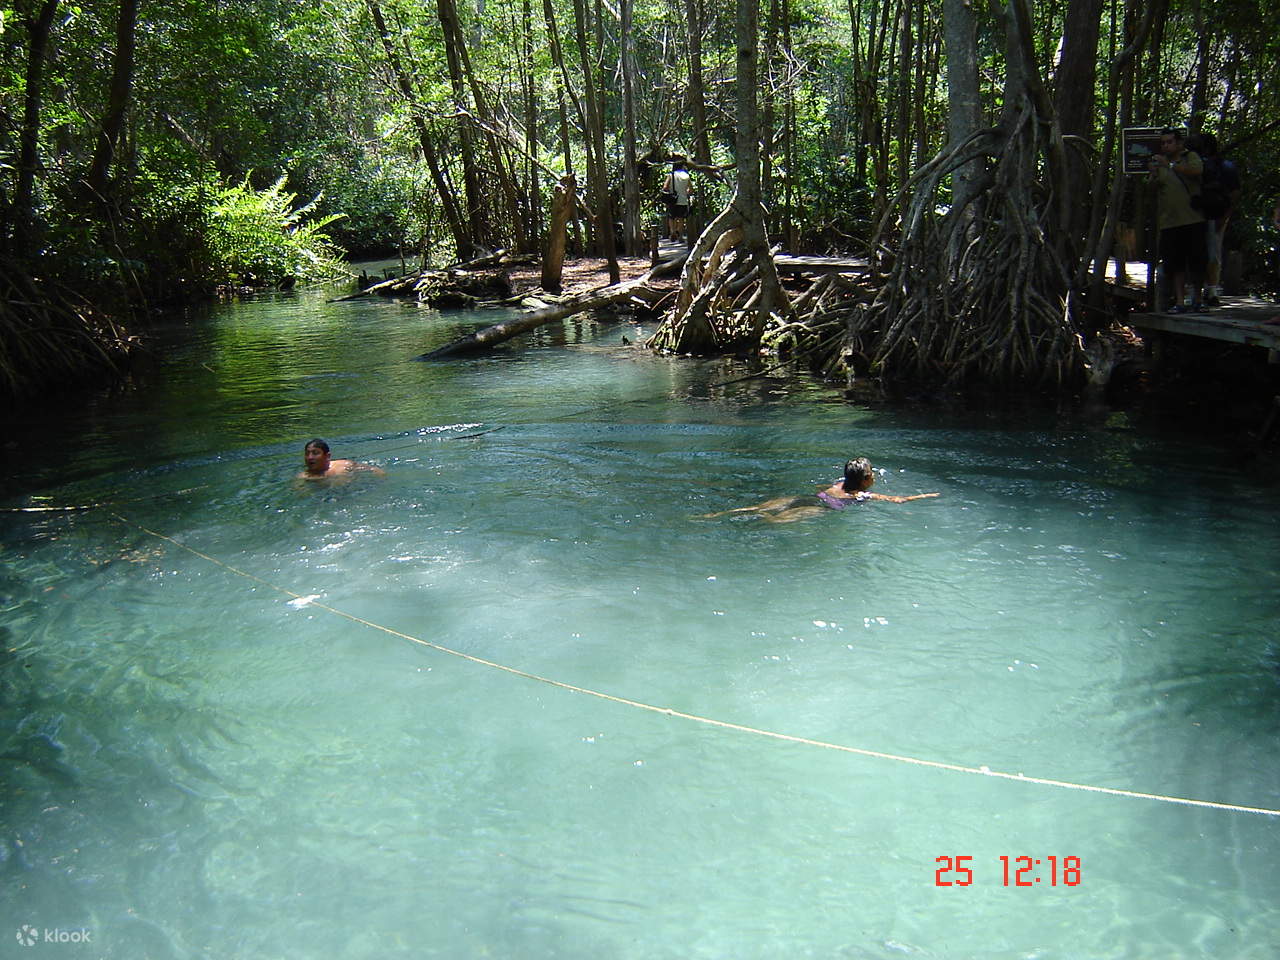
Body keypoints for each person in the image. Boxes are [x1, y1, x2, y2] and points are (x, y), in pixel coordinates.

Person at [697, 457, 939, 524]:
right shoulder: (861, 495)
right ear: (866, 480)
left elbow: (818, 488)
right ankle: (750, 519)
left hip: (813, 498)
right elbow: (899, 500)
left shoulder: (837, 484)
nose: (874, 476)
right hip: (822, 509)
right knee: (773, 520)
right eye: (872, 473)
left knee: (760, 507)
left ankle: (719, 514)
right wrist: (924, 496)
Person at [1149, 127, 1206, 314]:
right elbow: (1152, 188)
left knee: (1197, 261)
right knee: (1175, 264)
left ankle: (1198, 299)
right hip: (1170, 223)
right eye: (1163, 143)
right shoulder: (1159, 164)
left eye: (1169, 142)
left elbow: (1197, 171)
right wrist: (1154, 174)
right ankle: (1180, 301)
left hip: (1193, 220)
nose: (1166, 145)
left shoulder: (1190, 157)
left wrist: (1170, 165)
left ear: (1179, 143)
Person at [1187, 132, 1240, 306]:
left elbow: (1234, 194)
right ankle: (1198, 291)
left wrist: (1223, 218)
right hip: (1194, 215)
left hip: (1213, 215)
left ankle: (1210, 290)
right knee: (1200, 253)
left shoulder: (1224, 167)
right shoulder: (1194, 165)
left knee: (1212, 254)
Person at [297, 438, 385, 480]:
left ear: (327, 456)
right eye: (307, 454)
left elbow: (373, 469)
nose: (310, 457)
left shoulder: (344, 465)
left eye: (315, 453)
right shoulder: (304, 477)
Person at [662, 159, 694, 241]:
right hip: (683, 200)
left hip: (673, 200)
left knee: (671, 217)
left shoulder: (671, 175)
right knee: (681, 218)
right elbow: (691, 190)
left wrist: (670, 191)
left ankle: (672, 231)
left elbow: (665, 187)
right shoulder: (686, 176)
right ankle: (680, 236)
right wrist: (685, 193)